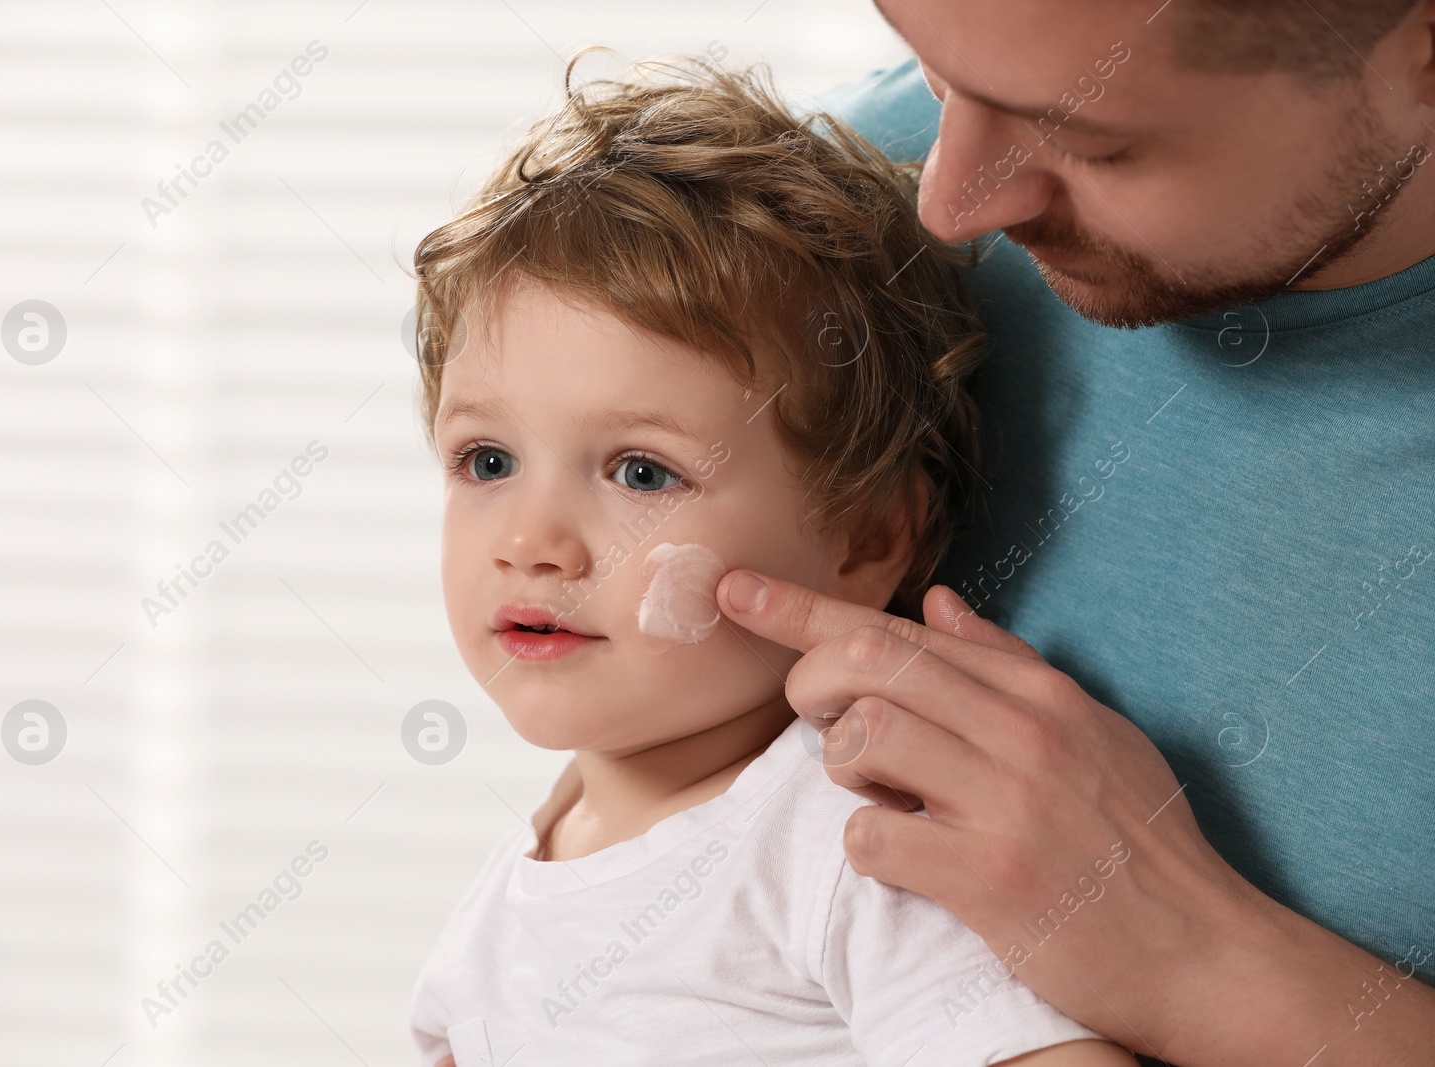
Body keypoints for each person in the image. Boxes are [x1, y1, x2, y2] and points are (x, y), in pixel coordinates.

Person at [705, 2, 1435, 1065]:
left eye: (1089, 138)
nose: (950, 204)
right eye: (931, 67)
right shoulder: (819, 229)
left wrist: (1199, 962)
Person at [407, 54, 1135, 1067]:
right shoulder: (532, 867)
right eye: (488, 460)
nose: (531, 542)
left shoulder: (850, 842)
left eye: (641, 472)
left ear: (867, 539)